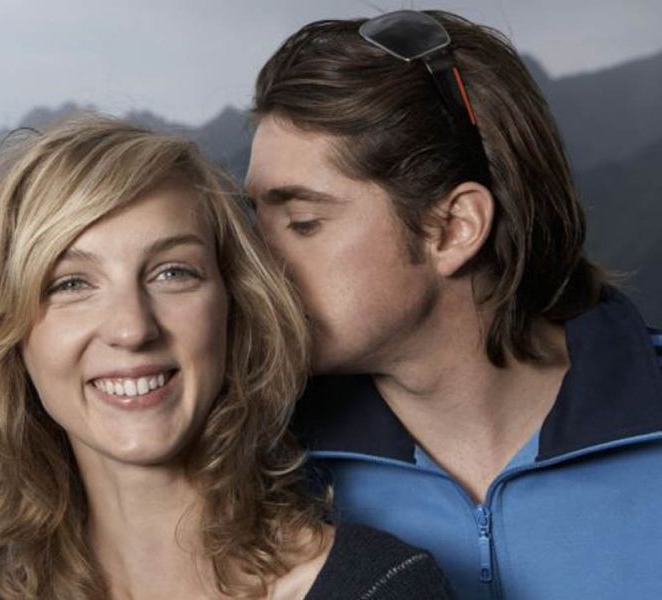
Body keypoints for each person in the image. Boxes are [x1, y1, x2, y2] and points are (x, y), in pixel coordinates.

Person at [0, 116, 452, 599]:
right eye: (72, 283)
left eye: (173, 273)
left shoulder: (379, 589)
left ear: (235, 309)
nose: (132, 329)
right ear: (10, 334)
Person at [245, 9, 662, 600]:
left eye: (303, 222)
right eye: (252, 221)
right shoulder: (262, 466)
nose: (253, 263)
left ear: (453, 228)